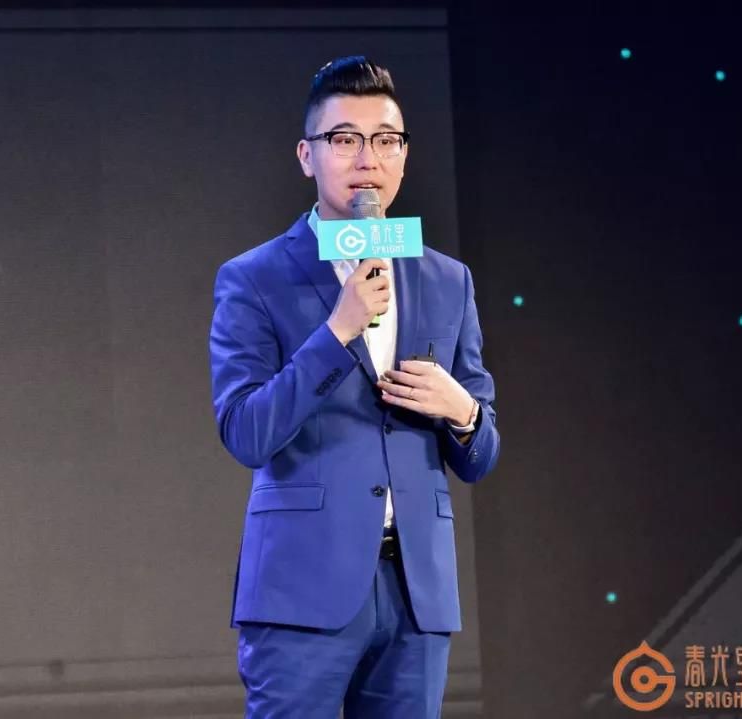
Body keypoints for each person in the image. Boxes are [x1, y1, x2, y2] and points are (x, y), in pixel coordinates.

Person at [209, 55, 500, 718]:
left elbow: (480, 456)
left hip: (416, 593)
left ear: (404, 156)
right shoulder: (255, 278)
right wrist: (336, 331)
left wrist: (461, 411)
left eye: (385, 140)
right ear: (307, 156)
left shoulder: (447, 280)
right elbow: (246, 432)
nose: (367, 158)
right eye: (344, 139)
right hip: (302, 591)